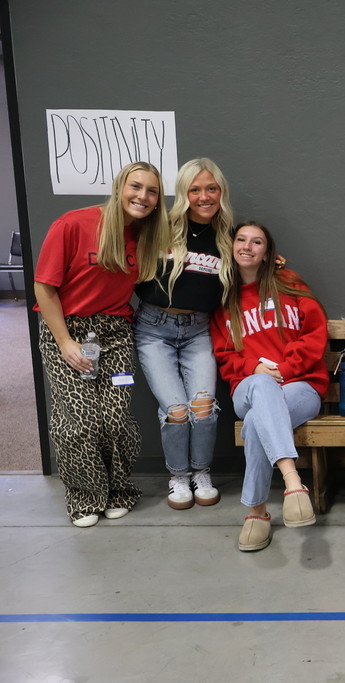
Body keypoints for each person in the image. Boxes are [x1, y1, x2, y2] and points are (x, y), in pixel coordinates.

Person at [34, 161, 168, 527]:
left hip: (115, 334)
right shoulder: (73, 224)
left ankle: (118, 491)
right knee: (79, 422)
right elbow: (44, 287)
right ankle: (84, 498)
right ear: (119, 187)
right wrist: (64, 342)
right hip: (67, 329)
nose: (142, 196)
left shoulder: (147, 236)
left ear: (157, 201)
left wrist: (271, 265)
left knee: (116, 419)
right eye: (135, 186)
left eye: (151, 191)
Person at [211, 222, 327, 551]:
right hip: (247, 389)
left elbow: (314, 334)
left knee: (254, 423)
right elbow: (224, 356)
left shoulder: (289, 283)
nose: (248, 246)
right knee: (260, 384)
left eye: (257, 242)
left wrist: (286, 368)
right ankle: (293, 482)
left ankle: (257, 512)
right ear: (231, 247)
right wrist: (255, 368)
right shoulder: (223, 300)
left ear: (267, 252)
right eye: (242, 240)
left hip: (301, 388)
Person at [135, 158, 233, 511]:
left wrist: (272, 261)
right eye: (195, 189)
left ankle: (201, 472)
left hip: (198, 331)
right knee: (176, 410)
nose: (204, 196)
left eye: (211, 188)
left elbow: (253, 262)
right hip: (154, 330)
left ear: (221, 192)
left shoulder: (227, 236)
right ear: (184, 193)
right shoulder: (159, 226)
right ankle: (178, 476)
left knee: (203, 408)